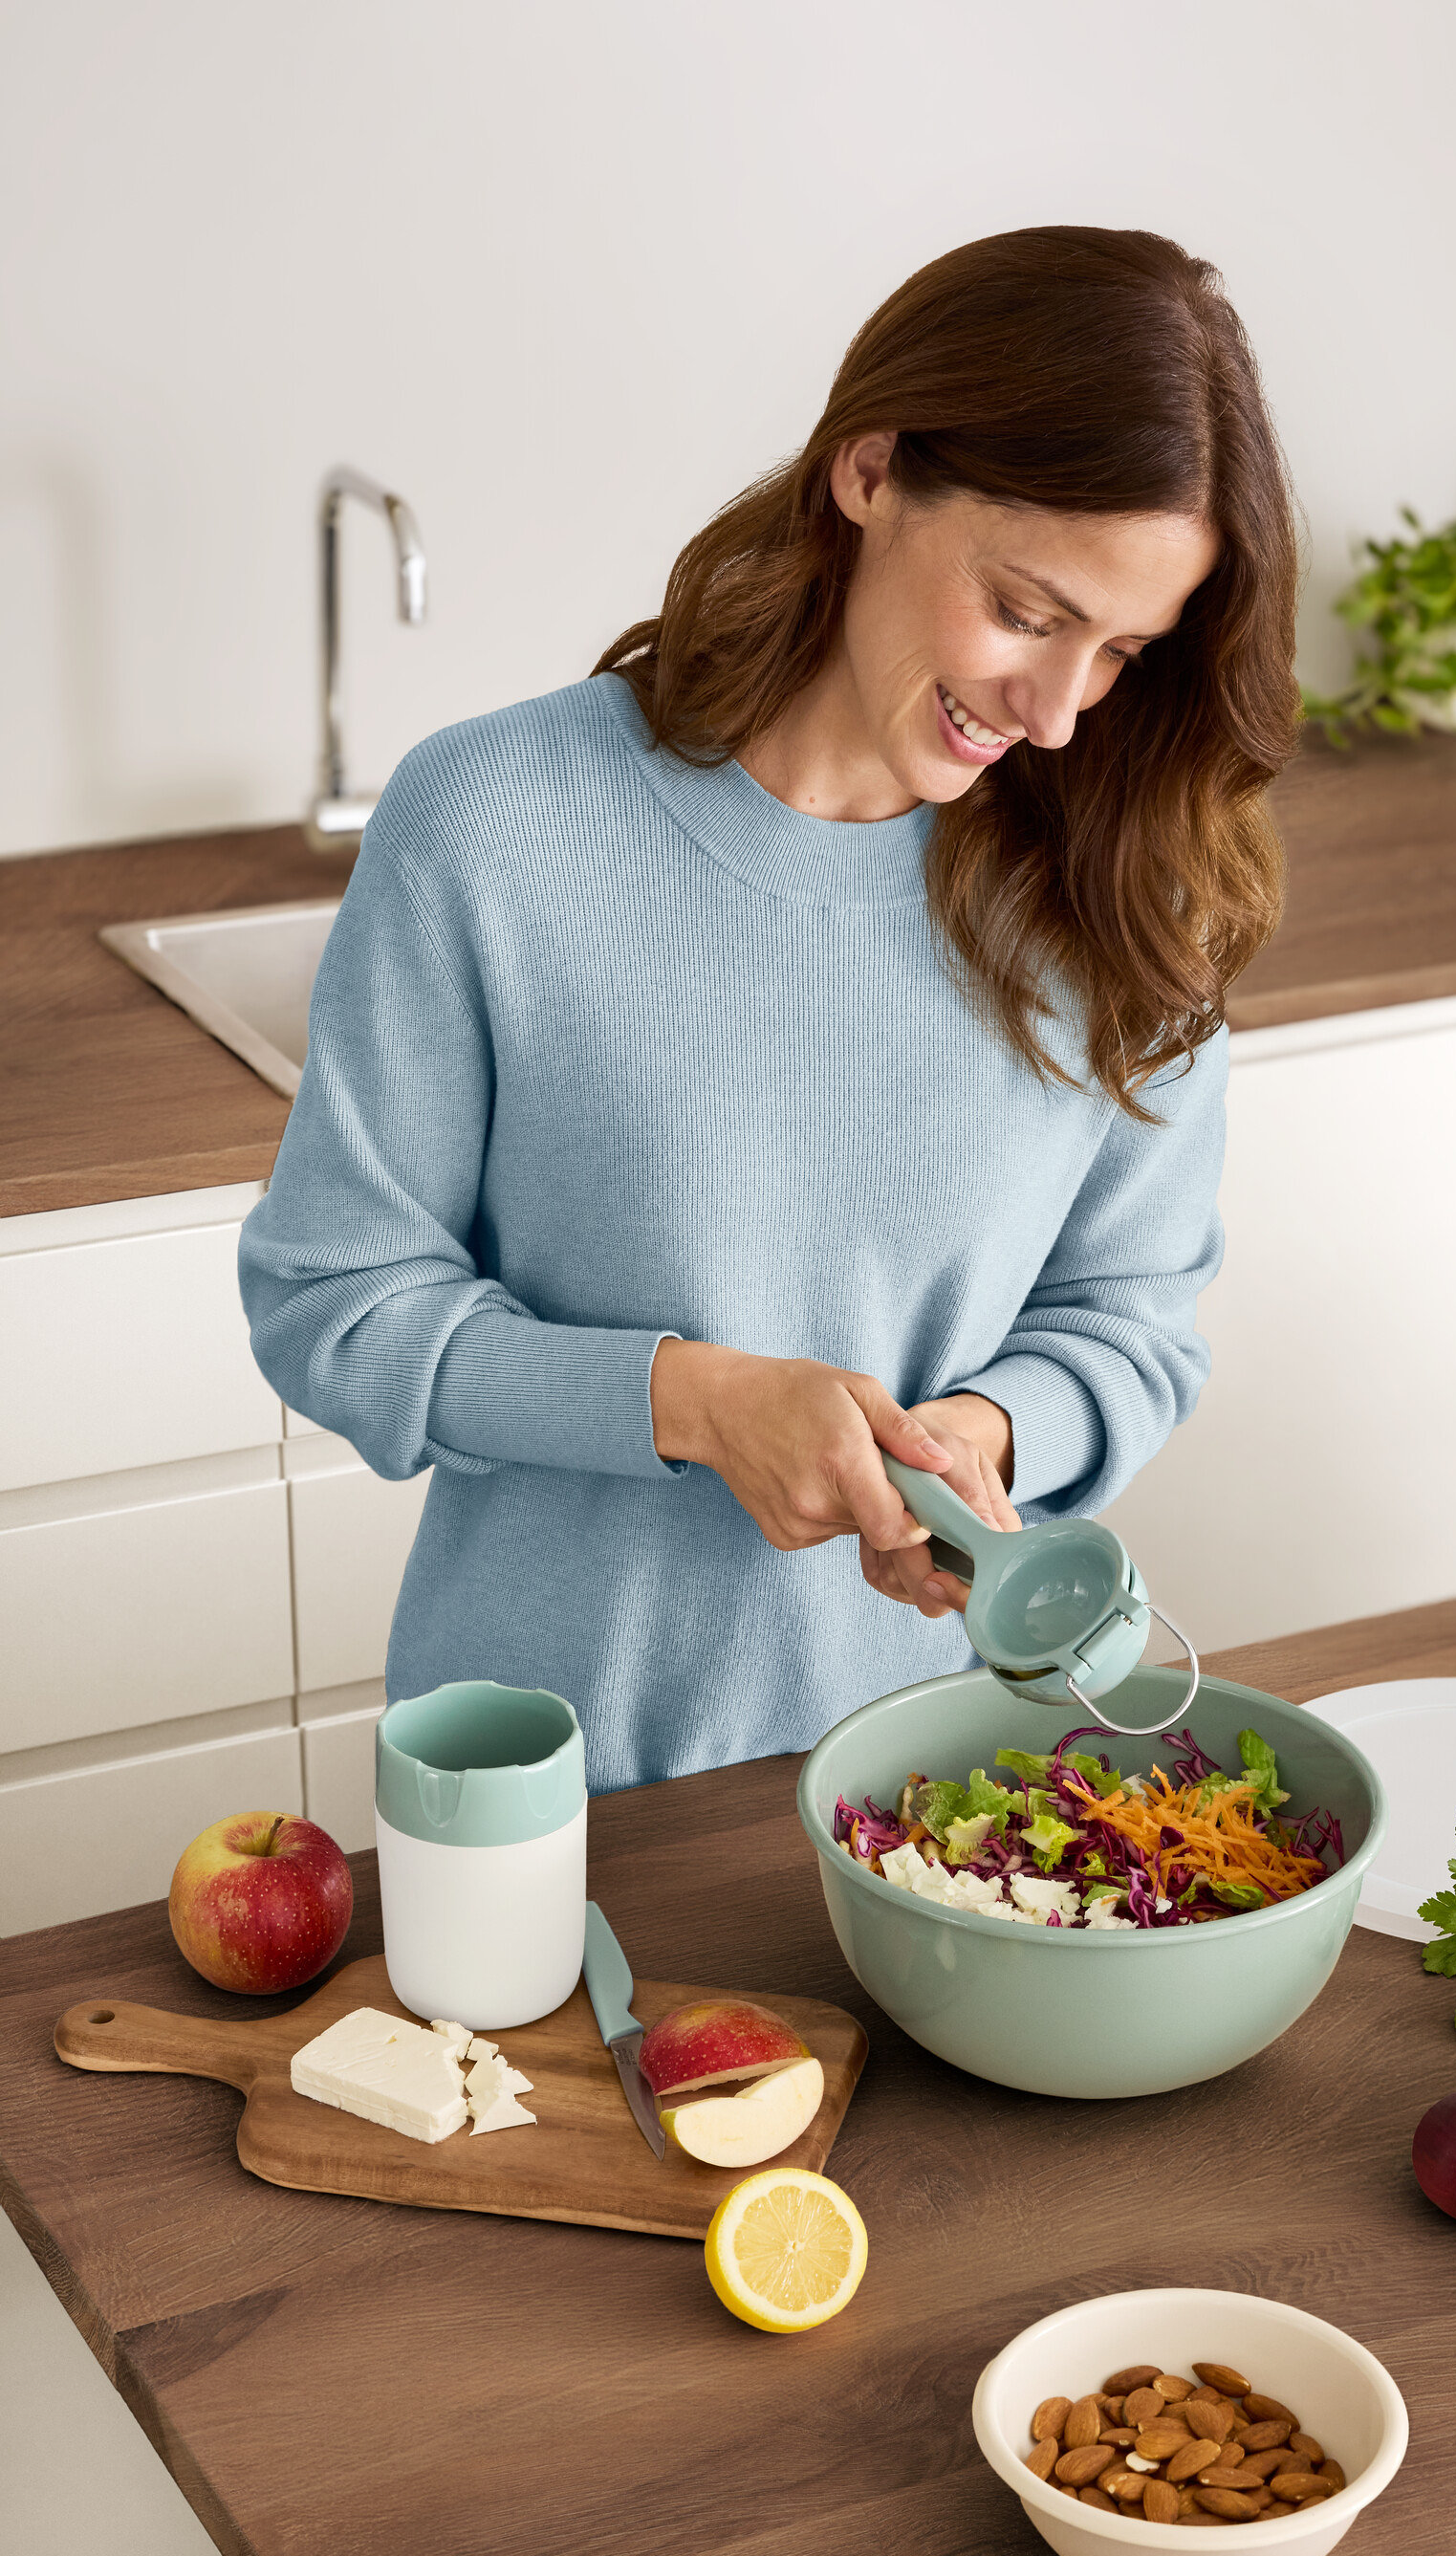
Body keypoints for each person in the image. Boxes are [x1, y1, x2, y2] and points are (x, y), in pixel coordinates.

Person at [238, 226, 1300, 1792]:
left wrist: (976, 1440)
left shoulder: (1133, 888)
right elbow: (338, 1304)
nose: (1059, 713)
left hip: (954, 1789)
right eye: (1025, 612)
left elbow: (1129, 1324)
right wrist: (693, 1403)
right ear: (868, 472)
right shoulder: (497, 822)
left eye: (1121, 653)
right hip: (545, 1780)